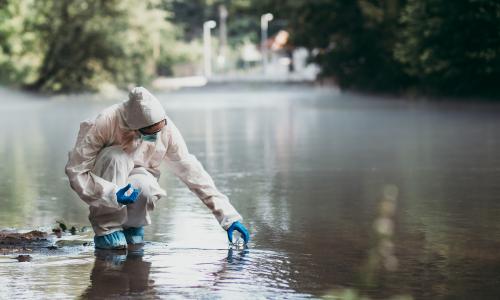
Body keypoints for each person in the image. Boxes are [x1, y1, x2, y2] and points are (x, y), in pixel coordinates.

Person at [65, 87, 249, 249]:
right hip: (107, 173)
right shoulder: (104, 122)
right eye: (151, 132)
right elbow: (76, 170)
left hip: (137, 173)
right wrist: (112, 193)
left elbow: (191, 170)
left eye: (160, 129)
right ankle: (107, 228)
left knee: (144, 186)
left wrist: (228, 217)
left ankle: (132, 227)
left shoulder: (165, 128)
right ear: (136, 127)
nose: (157, 135)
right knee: (117, 158)